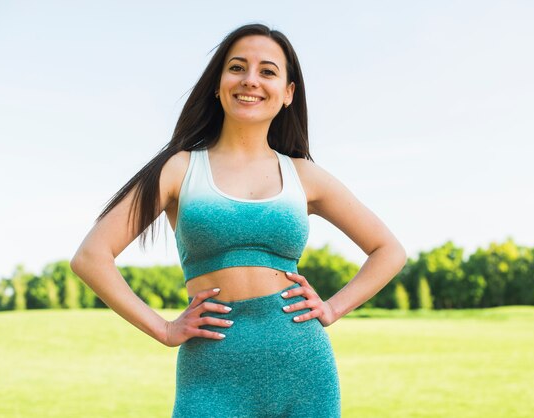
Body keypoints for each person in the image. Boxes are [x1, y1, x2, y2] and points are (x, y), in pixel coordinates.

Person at [70, 23, 407, 418]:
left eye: (267, 71)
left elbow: (389, 251)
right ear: (218, 84)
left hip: (302, 369)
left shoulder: (305, 176)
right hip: (210, 374)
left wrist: (332, 308)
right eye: (237, 67)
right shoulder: (179, 170)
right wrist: (163, 329)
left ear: (287, 93)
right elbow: (91, 256)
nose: (250, 80)